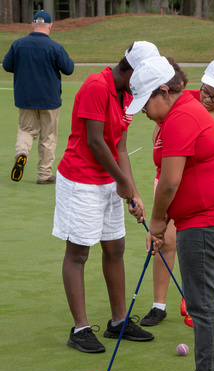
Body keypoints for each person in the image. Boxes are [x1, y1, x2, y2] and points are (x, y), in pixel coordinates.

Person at [126, 56, 214, 371]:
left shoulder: (181, 118)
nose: (144, 111)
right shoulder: (181, 111)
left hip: (209, 220)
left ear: (165, 91)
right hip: (202, 218)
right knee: (200, 302)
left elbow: (170, 182)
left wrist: (159, 223)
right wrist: (165, 222)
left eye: (146, 101)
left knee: (201, 304)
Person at [52, 41, 160, 353]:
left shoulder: (128, 94)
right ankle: (81, 329)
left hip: (108, 180)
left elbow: (120, 148)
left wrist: (133, 192)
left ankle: (118, 322)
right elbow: (96, 142)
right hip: (80, 180)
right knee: (79, 253)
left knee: (115, 247)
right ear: (131, 69)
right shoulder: (96, 86)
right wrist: (122, 182)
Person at [140, 59, 214, 328]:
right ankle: (159, 305)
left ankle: (199, 305)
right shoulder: (182, 101)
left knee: (201, 250)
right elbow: (161, 140)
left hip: (204, 196)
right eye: (206, 91)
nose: (208, 99)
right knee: (168, 243)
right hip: (167, 183)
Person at [3, 10, 74, 184]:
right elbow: (69, 68)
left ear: (32, 24)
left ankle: (22, 154)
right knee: (48, 137)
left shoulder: (18, 44)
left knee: (26, 131)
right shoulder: (55, 47)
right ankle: (43, 174)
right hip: (49, 99)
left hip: (25, 97)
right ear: (50, 25)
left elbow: (7, 65)